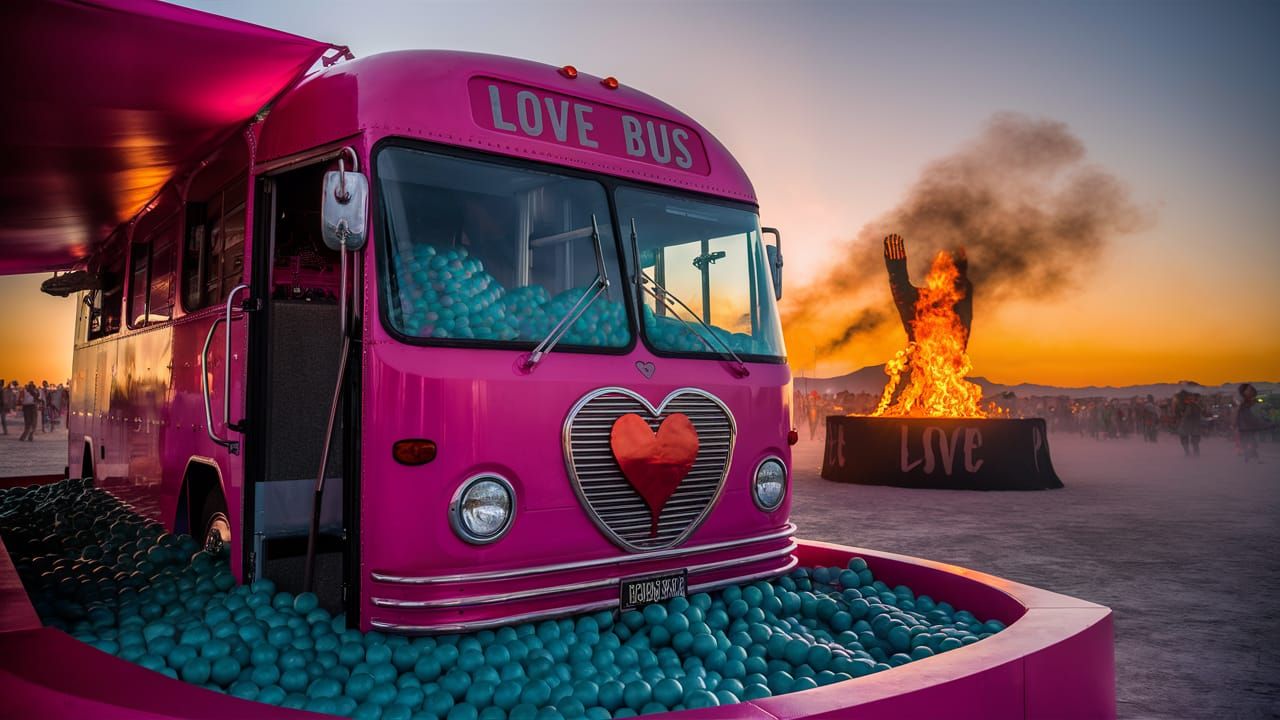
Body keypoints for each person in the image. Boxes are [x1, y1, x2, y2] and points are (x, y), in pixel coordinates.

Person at [1236, 384, 1273, 463]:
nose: (1251, 392)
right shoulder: (1244, 406)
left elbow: (1250, 419)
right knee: (1250, 442)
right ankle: (1250, 456)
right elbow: (1250, 419)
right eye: (1249, 390)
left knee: (1250, 442)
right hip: (1246, 428)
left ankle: (1250, 456)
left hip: (1246, 428)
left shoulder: (1246, 405)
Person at [1174, 391, 1203, 457]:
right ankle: (1188, 452)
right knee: (1184, 438)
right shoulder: (1180, 405)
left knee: (1194, 440)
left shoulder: (1195, 406)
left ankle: (1195, 453)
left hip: (1193, 424)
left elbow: (1198, 415)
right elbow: (1177, 415)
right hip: (1185, 424)